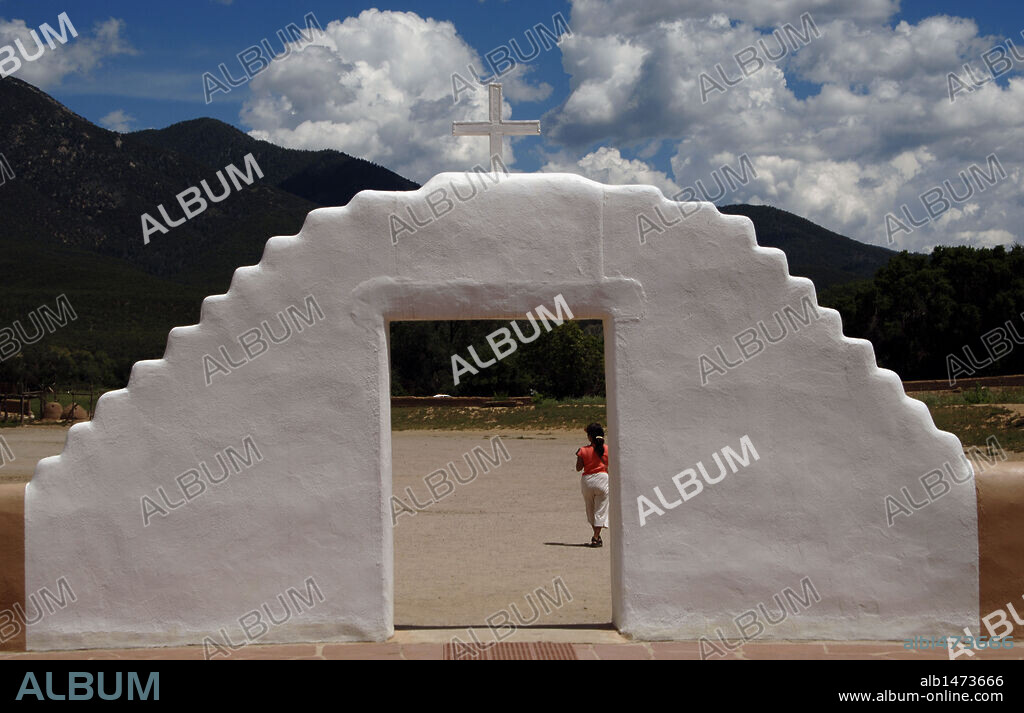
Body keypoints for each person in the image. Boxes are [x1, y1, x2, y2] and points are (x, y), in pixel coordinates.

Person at [575, 422, 609, 547]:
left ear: (590, 437)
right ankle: (596, 536)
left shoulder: (583, 450)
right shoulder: (607, 449)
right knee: (601, 510)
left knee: (590, 509)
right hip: (603, 479)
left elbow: (578, 468)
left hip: (588, 481)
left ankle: (596, 536)